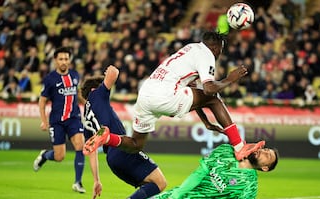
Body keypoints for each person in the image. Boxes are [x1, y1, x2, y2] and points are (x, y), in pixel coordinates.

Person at [84, 31, 264, 161]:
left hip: (146, 92)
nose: (219, 55)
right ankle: (239, 147)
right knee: (214, 98)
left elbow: (195, 90)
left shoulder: (191, 48)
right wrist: (230, 79)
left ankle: (107, 138)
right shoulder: (207, 54)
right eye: (220, 51)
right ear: (215, 47)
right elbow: (208, 90)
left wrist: (206, 121)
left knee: (136, 144)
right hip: (165, 94)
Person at [97, 143, 278, 199]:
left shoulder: (250, 183)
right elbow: (197, 175)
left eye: (268, 155)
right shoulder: (225, 151)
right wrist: (174, 198)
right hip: (180, 196)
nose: (264, 151)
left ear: (265, 168)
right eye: (265, 149)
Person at [81, 65, 167, 199]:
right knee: (160, 182)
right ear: (95, 89)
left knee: (148, 185)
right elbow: (114, 72)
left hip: (112, 161)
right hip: (121, 149)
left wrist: (96, 180)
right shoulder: (97, 94)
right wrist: (109, 71)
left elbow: (91, 150)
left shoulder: (86, 118)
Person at [33, 46, 86, 193]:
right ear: (56, 61)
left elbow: (78, 95)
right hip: (57, 121)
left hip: (74, 118)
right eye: (61, 59)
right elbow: (42, 101)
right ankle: (45, 155)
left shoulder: (75, 75)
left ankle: (77, 182)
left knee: (80, 146)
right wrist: (44, 121)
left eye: (66, 59)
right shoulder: (50, 79)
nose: (64, 62)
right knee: (59, 156)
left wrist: (88, 102)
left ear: (70, 61)